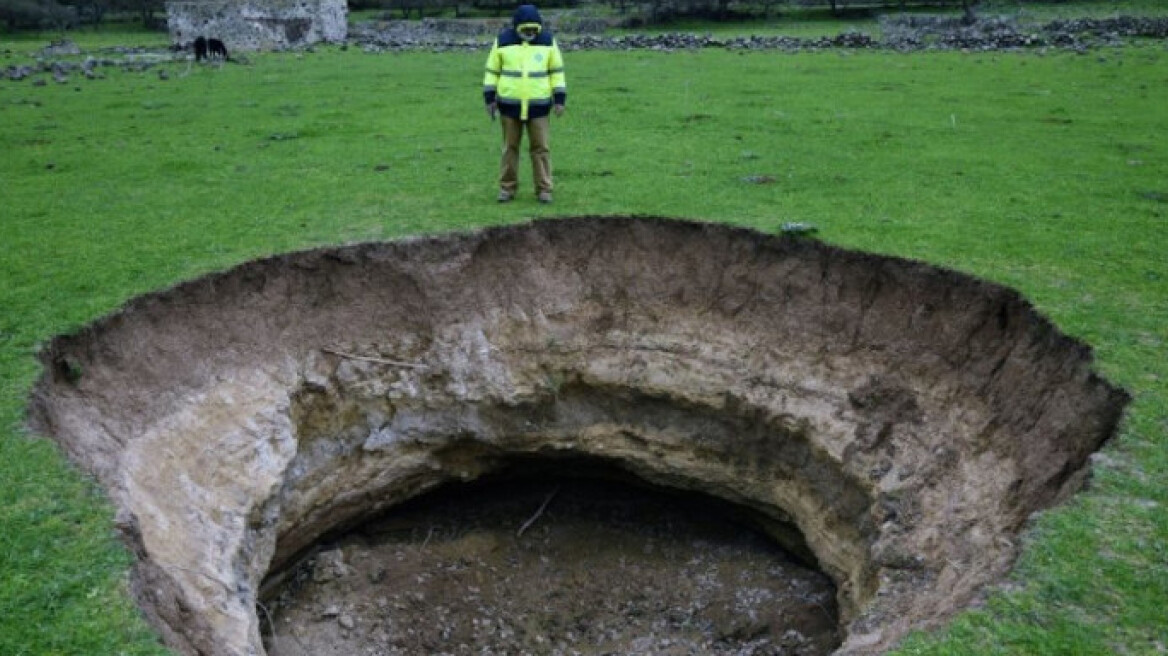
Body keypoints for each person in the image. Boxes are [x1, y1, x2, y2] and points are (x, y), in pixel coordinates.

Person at [483, 5, 567, 204]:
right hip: (509, 107)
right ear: (517, 27)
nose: (530, 33)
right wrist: (489, 99)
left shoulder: (548, 42)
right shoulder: (502, 42)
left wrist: (560, 100)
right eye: (526, 29)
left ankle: (544, 190)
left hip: (539, 108)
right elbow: (492, 72)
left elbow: (556, 72)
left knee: (541, 149)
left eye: (534, 29)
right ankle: (507, 189)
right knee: (510, 148)